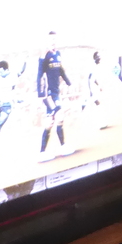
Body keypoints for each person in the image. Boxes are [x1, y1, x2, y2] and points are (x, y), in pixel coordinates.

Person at [37, 31, 73, 161]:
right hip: (48, 95)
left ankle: (42, 152)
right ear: (47, 42)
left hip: (56, 94)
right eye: (51, 40)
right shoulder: (44, 56)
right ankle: (62, 146)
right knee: (60, 116)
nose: (53, 42)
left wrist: (69, 83)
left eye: (55, 39)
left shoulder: (58, 54)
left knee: (50, 122)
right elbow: (39, 75)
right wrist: (41, 95)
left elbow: (60, 70)